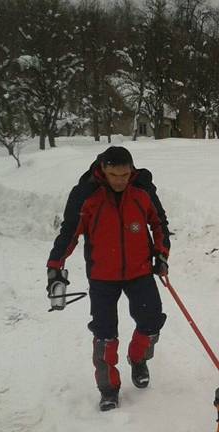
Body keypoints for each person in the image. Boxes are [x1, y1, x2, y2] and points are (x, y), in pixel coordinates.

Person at [46, 146, 171, 411]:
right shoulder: (85, 194)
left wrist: (161, 254)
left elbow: (159, 223)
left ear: (131, 170)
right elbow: (69, 233)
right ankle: (109, 389)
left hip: (139, 271)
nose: (119, 181)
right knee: (104, 334)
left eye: (124, 175)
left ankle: (138, 359)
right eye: (114, 175)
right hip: (102, 275)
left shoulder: (142, 189)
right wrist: (55, 266)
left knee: (151, 323)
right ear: (103, 169)